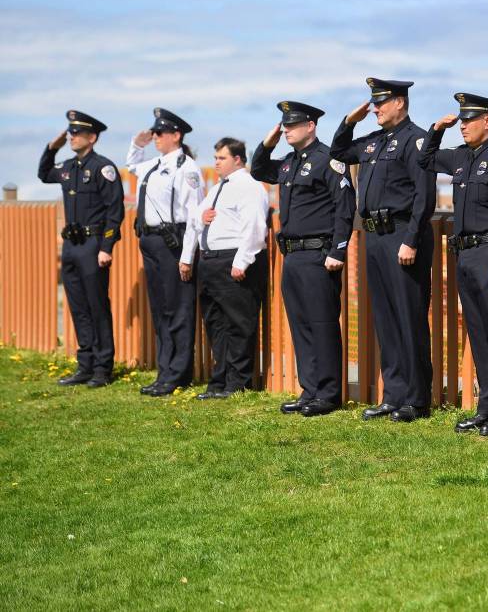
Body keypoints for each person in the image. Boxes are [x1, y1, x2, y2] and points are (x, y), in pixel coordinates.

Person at [418, 93, 488, 436]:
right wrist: (437, 129)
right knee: (479, 335)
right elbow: (426, 159)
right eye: (461, 121)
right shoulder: (462, 157)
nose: (463, 126)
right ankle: (486, 408)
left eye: (469, 121)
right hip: (465, 256)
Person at [330, 78, 437, 423]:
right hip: (375, 238)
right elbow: (338, 152)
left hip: (402, 235)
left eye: (381, 102)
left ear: (400, 103)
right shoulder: (375, 140)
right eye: (373, 103)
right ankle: (394, 395)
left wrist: (412, 239)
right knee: (387, 320)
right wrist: (349, 121)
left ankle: (417, 400)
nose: (374, 108)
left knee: (409, 317)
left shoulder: (416, 140)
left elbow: (424, 196)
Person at [251, 101, 355, 417]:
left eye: (292, 125)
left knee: (321, 324)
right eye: (284, 125)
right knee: (300, 326)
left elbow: (345, 206)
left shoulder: (329, 160)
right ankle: (310, 390)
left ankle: (328, 393)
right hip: (293, 256)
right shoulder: (287, 164)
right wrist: (268, 142)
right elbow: (257, 169)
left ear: (310, 126)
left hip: (318, 255)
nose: (286, 130)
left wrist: (338, 251)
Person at [38, 110, 124, 387]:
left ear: (92, 137)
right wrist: (52, 148)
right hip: (72, 246)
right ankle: (84, 365)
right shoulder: (67, 168)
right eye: (70, 133)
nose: (72, 137)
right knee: (78, 307)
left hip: (93, 245)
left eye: (76, 133)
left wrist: (106, 246)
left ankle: (102, 369)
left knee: (97, 306)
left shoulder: (103, 168)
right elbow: (43, 174)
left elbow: (115, 210)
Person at [179, 137, 269, 399]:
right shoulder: (217, 188)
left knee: (239, 323)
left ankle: (237, 383)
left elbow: (254, 227)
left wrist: (241, 262)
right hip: (210, 261)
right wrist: (200, 220)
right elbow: (195, 218)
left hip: (233, 260)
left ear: (237, 159)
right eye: (216, 158)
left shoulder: (249, 187)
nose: (216, 163)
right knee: (216, 324)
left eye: (221, 158)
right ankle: (220, 380)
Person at [127, 108, 204, 397]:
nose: (156, 137)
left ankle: (179, 374)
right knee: (160, 309)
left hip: (174, 241)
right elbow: (131, 165)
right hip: (150, 241)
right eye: (154, 132)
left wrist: (187, 257)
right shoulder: (154, 164)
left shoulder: (187, 167)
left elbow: (194, 215)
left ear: (176, 135)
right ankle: (165, 372)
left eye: (160, 133)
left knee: (179, 309)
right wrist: (138, 144)